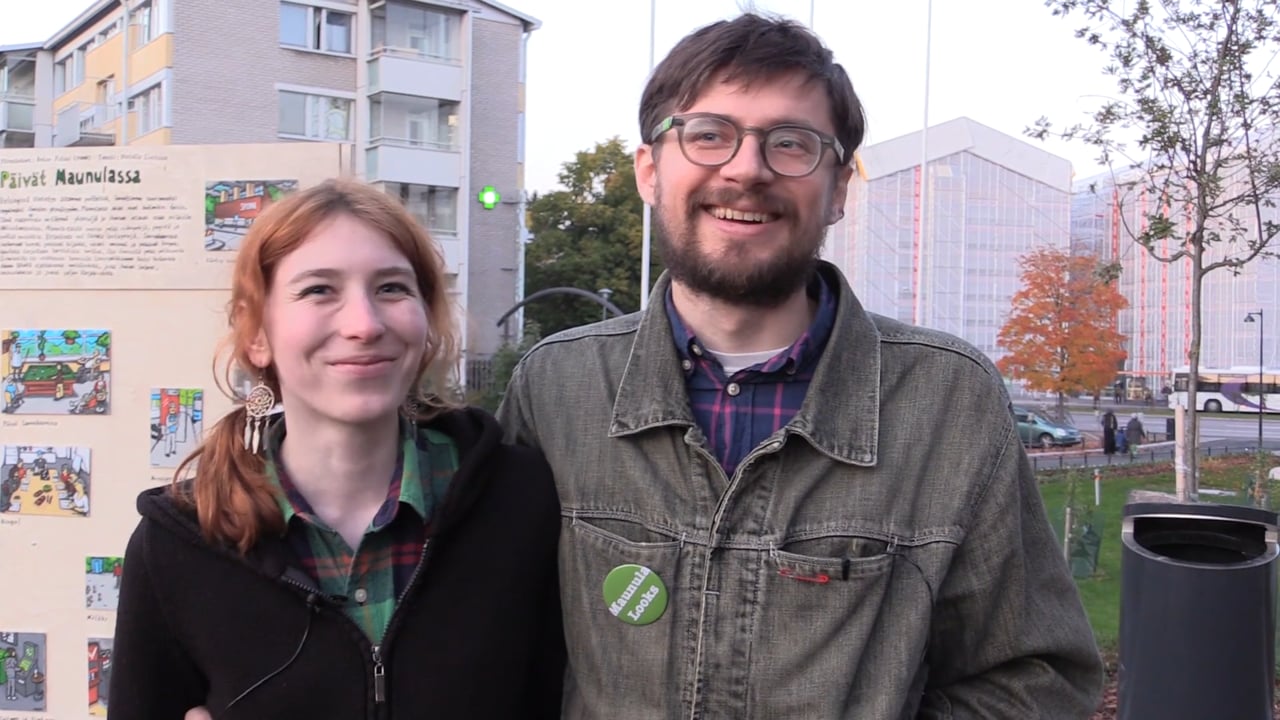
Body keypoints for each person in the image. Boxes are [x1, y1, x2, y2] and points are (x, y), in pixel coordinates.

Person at [497, 13, 1102, 719]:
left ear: (839, 187)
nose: (746, 168)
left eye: (791, 143)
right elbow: (501, 648)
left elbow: (1038, 679)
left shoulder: (948, 402)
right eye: (708, 134)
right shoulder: (557, 389)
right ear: (650, 171)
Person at [113, 179, 565, 719]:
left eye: (392, 288)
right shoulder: (178, 545)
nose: (364, 325)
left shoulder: (523, 501)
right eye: (319, 290)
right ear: (256, 333)